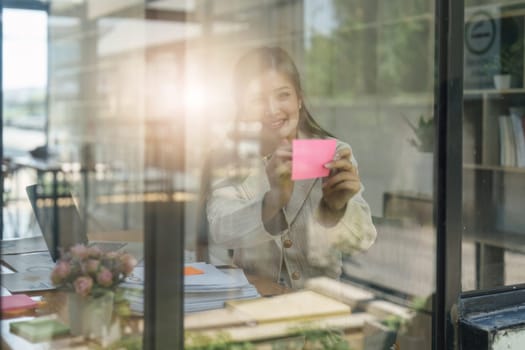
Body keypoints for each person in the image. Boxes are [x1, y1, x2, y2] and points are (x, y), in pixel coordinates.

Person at [206, 46, 376, 289]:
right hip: (255, 304)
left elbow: (363, 241)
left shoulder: (334, 154)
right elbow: (221, 231)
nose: (272, 110)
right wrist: (272, 201)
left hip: (322, 307)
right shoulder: (228, 161)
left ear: (299, 99)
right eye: (257, 100)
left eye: (283, 95)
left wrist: (337, 208)